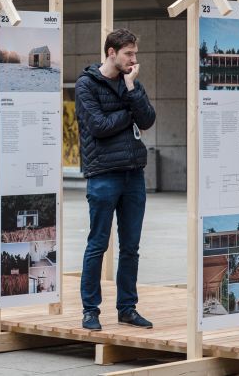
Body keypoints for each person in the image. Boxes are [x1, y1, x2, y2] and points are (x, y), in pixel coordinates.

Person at [74, 28, 156, 331]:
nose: (134, 59)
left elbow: (147, 119)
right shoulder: (86, 85)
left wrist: (132, 90)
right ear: (111, 52)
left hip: (133, 174)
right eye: (128, 54)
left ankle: (127, 308)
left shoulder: (131, 83)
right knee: (97, 244)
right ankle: (90, 310)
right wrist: (129, 112)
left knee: (131, 247)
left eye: (135, 53)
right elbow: (98, 126)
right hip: (103, 175)